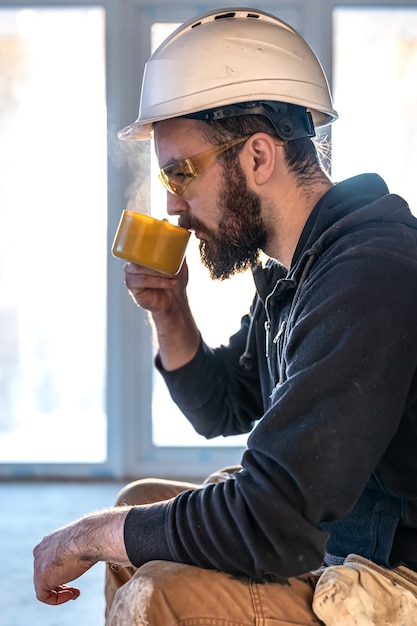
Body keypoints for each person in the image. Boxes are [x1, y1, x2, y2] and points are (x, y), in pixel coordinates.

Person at [33, 7, 417, 625]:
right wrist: (170, 310)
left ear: (259, 156)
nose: (172, 204)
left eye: (180, 171)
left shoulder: (368, 273)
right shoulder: (302, 269)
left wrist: (87, 534)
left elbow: (271, 520)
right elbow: (224, 406)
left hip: (391, 575)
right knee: (140, 506)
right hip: (334, 535)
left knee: (159, 591)